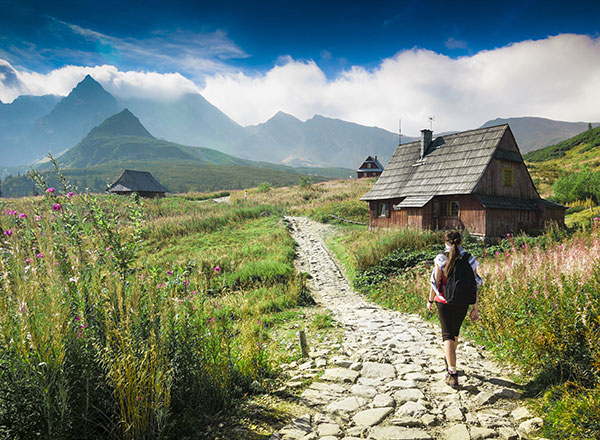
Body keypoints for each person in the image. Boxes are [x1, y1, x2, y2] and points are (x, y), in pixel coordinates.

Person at [426, 230, 481, 388]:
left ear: (446, 242)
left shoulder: (441, 258)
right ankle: (451, 361)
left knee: (447, 336)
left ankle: (452, 374)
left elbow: (435, 283)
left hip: (444, 301)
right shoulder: (470, 259)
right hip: (463, 302)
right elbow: (475, 283)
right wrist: (475, 308)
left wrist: (430, 300)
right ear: (461, 241)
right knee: (454, 333)